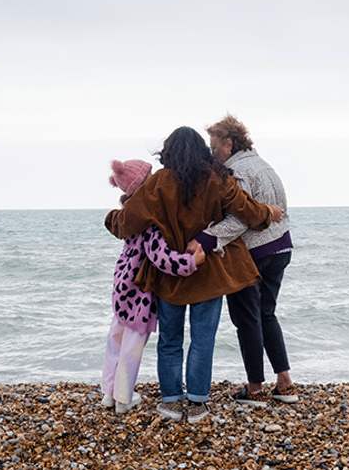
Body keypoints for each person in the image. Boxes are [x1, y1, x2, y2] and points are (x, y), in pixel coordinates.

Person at [105, 127, 284, 424]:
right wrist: (269, 213)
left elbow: (126, 224)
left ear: (168, 152)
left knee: (170, 340)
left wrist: (110, 218)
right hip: (208, 276)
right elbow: (247, 211)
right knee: (203, 341)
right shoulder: (217, 179)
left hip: (168, 278)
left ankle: (171, 403)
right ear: (201, 151)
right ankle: (198, 404)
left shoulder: (158, 183)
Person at [192, 114, 298, 407]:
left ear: (229, 142)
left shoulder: (236, 171)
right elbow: (280, 208)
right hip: (281, 247)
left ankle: (254, 389)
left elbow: (240, 219)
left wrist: (205, 239)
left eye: (215, 147)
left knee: (246, 320)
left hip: (253, 254)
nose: (213, 153)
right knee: (267, 314)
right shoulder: (265, 165)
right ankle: (285, 383)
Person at [100, 159, 204, 415]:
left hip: (121, 285)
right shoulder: (148, 218)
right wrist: (191, 262)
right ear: (144, 185)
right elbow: (160, 256)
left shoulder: (128, 212)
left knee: (116, 340)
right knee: (132, 346)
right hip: (140, 293)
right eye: (151, 176)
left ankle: (108, 393)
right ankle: (124, 399)